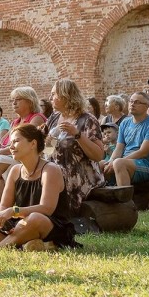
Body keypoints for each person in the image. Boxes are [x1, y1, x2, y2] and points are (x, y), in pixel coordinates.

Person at [0, 124, 77, 252]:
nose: (11, 147)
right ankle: (20, 245)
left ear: (33, 144)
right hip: (20, 224)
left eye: (16, 141)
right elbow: (4, 206)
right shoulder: (15, 170)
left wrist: (14, 211)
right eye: (10, 142)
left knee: (34, 218)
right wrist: (1, 219)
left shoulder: (50, 170)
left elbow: (46, 209)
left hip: (49, 225)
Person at [45, 79, 105, 214]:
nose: (50, 98)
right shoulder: (54, 118)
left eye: (54, 94)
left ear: (66, 96)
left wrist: (77, 134)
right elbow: (47, 151)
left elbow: (98, 155)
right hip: (54, 170)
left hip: (80, 173)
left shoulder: (87, 120)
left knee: (53, 177)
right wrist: (48, 141)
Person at [101, 92, 149, 187]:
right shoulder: (125, 123)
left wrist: (116, 162)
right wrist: (111, 161)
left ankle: (125, 200)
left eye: (137, 102)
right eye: (131, 101)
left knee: (118, 163)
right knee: (100, 164)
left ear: (146, 106)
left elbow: (143, 152)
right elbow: (119, 148)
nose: (132, 104)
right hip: (126, 162)